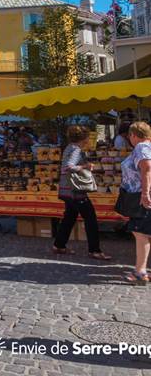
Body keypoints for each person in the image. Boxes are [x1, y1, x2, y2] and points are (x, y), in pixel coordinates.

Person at [53, 126, 111, 260]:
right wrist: (86, 166)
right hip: (75, 192)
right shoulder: (76, 150)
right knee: (91, 219)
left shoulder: (69, 147)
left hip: (66, 190)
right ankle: (94, 250)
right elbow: (68, 167)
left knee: (69, 217)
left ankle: (59, 245)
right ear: (83, 138)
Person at [120, 122, 151, 284]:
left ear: (133, 135)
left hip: (141, 195)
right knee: (144, 233)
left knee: (141, 233)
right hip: (141, 194)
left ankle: (140, 272)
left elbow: (146, 167)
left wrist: (145, 194)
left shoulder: (141, 147)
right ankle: (141, 270)